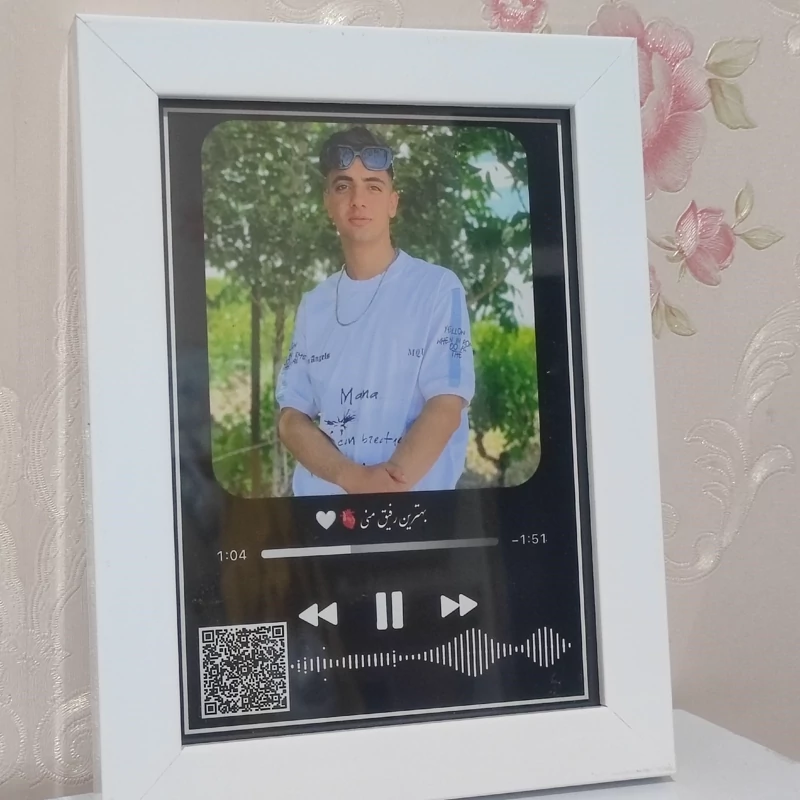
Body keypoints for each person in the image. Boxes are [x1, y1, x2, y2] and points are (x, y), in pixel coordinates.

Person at [276, 126, 475, 496]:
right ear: (327, 202)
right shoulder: (314, 305)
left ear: (392, 203)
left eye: (373, 186)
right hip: (324, 516)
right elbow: (291, 418)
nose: (358, 200)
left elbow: (447, 404)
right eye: (343, 186)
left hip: (413, 513)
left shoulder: (437, 288)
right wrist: (353, 479)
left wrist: (384, 490)